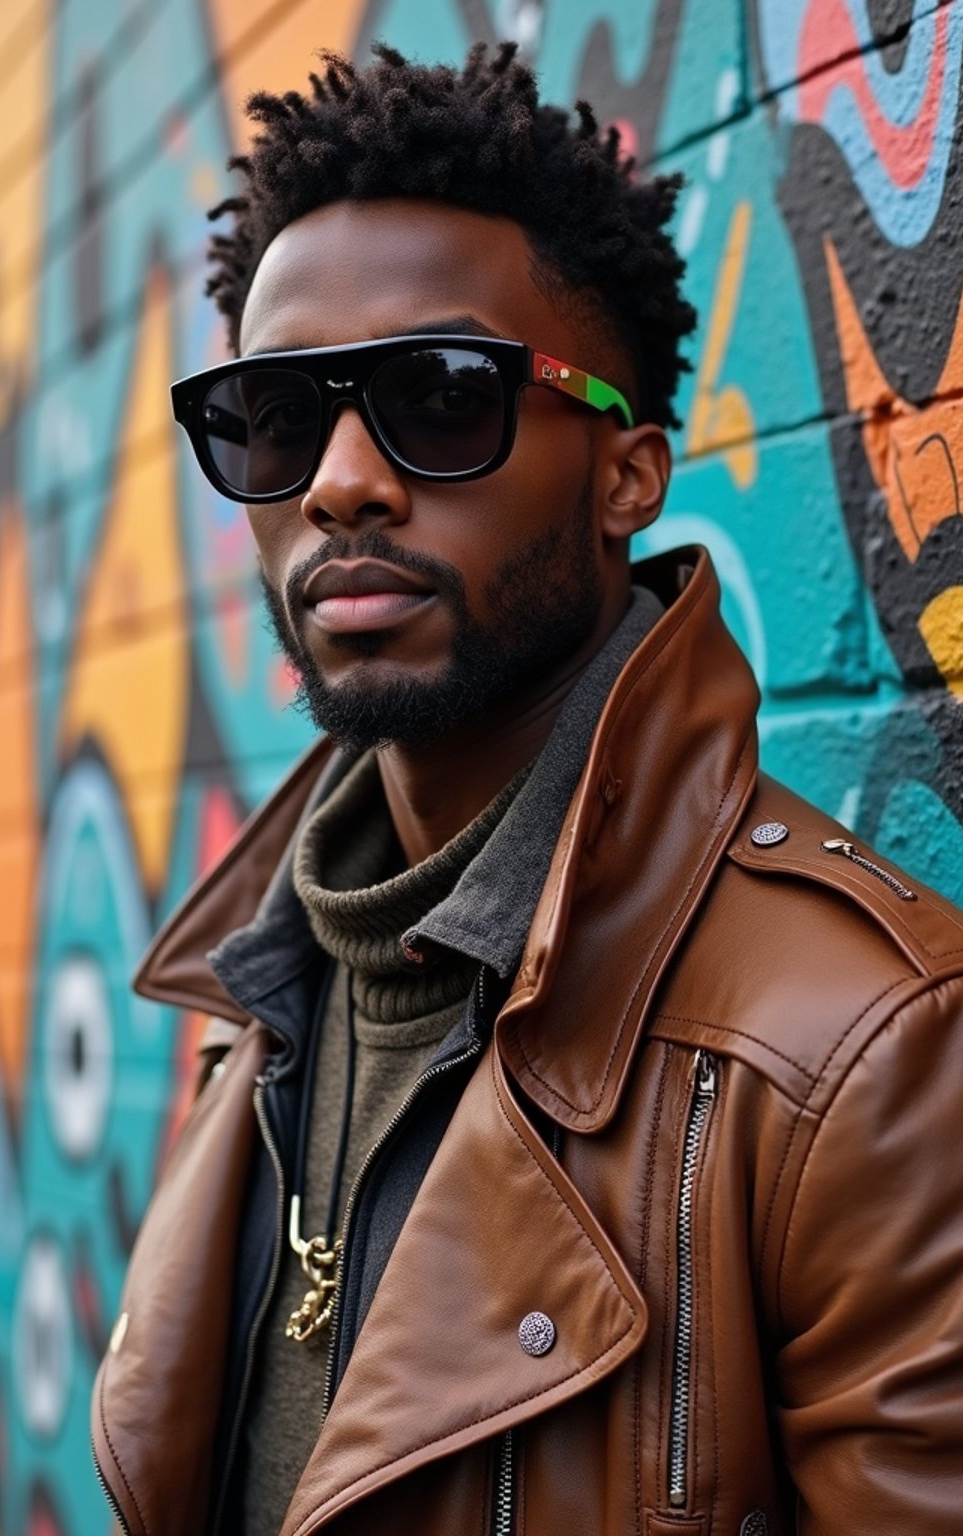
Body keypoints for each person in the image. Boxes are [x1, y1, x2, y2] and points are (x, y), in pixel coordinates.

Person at [91, 42, 963, 1536]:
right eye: (276, 420)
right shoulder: (262, 992)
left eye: (440, 398)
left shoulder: (860, 1058)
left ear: (626, 475)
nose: (341, 485)